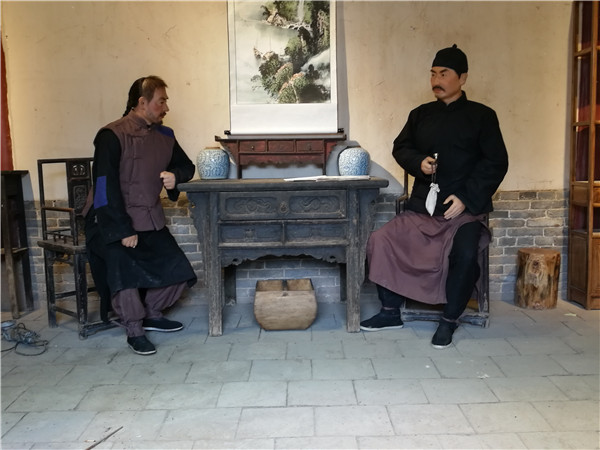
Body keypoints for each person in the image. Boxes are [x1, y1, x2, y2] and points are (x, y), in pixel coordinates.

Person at [361, 45, 509, 348]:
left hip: (463, 211)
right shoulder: (420, 115)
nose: (436, 80)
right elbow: (401, 147)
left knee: (465, 254)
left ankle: (449, 320)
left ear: (462, 78)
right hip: (422, 208)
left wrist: (465, 198)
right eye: (432, 74)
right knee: (380, 239)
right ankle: (390, 311)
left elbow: (496, 162)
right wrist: (419, 162)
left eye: (444, 74)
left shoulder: (482, 116)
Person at [84, 75, 197, 355]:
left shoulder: (166, 136)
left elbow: (187, 166)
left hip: (150, 218)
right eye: (162, 101)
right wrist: (122, 229)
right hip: (109, 220)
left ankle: (151, 313)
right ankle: (134, 329)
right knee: (123, 271)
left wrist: (175, 176)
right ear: (142, 102)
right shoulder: (111, 135)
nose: (166, 107)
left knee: (178, 269)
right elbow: (103, 188)